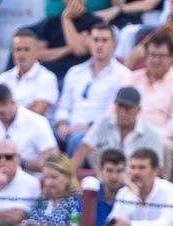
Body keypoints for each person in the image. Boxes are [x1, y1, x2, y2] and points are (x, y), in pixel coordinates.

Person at [122, 33, 173, 172]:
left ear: (171, 58)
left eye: (161, 56)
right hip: (128, 133)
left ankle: (158, 189)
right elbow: (113, 111)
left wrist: (147, 136)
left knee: (161, 145)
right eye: (152, 55)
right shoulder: (132, 79)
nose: (156, 60)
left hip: (164, 137)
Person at [54, 23, 132, 154]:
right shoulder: (75, 72)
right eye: (95, 40)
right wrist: (63, 123)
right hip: (68, 129)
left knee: (78, 140)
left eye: (104, 40)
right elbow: (63, 106)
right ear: (89, 42)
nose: (99, 45)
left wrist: (89, 127)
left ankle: (68, 172)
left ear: (114, 44)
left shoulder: (124, 75)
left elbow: (114, 114)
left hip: (99, 132)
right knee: (44, 135)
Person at [72, 86, 166, 170]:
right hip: (105, 178)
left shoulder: (152, 134)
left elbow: (156, 169)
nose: (122, 112)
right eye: (119, 107)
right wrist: (70, 175)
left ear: (138, 110)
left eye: (128, 108)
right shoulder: (104, 123)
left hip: (136, 180)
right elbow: (83, 150)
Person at [104, 147, 173, 226]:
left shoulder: (171, 191)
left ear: (155, 171)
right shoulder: (125, 192)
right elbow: (115, 222)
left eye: (142, 168)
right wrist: (134, 192)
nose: (136, 172)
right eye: (133, 167)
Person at [0, 84, 60, 173]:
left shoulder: (37, 122)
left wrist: (18, 162)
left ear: (12, 102)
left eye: (2, 113)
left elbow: (53, 163)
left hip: (29, 181)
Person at [0, 30, 60, 118]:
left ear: (36, 52)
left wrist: (5, 111)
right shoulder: (2, 79)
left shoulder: (47, 77)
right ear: (13, 53)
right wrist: (26, 108)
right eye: (18, 49)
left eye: (26, 49)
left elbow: (37, 111)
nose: (21, 54)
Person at [24, 153, 82, 226]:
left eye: (54, 177)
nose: (49, 183)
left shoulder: (77, 201)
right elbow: (31, 220)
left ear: (68, 177)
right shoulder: (42, 199)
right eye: (46, 177)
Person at [94, 148, 128, 226]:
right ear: (100, 171)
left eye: (119, 171)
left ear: (125, 172)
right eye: (109, 170)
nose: (114, 176)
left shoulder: (130, 196)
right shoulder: (90, 196)